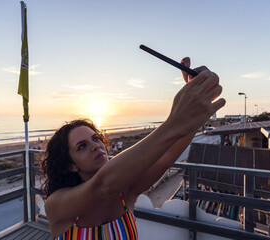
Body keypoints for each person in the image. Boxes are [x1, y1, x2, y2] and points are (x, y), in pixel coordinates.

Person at [41, 57, 226, 239]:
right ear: (71, 165)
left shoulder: (125, 193)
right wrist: (174, 121)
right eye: (82, 146)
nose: (95, 146)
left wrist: (195, 109)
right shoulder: (57, 205)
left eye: (96, 139)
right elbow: (102, 186)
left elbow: (167, 155)